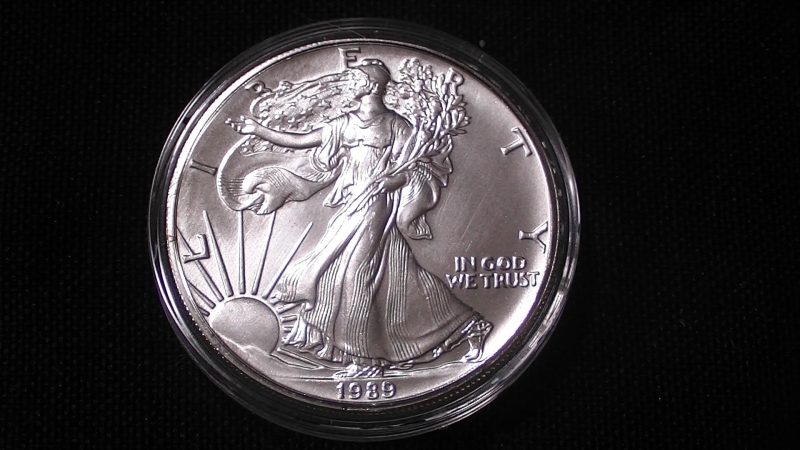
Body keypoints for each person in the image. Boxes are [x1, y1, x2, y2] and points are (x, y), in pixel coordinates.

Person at [224, 59, 491, 377]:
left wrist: (392, 181)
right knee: (392, 273)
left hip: (376, 205)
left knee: (355, 275)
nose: (349, 83)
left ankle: (366, 360)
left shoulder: (395, 125)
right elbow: (302, 139)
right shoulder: (344, 123)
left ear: (373, 85)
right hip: (352, 203)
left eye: (355, 78)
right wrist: (258, 129)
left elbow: (415, 167)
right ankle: (467, 326)